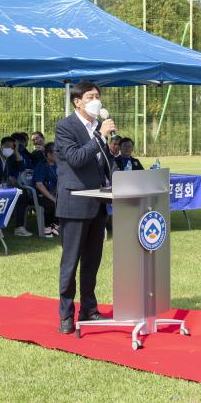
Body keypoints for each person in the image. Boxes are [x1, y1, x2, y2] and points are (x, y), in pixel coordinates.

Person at [54, 81, 117, 334]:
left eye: (98, 96)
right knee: (71, 263)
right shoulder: (65, 127)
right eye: (90, 97)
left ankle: (89, 309)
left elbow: (104, 163)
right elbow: (77, 159)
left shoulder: (98, 127)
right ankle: (66, 315)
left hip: (97, 204)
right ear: (77, 101)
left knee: (92, 262)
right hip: (74, 204)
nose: (96, 101)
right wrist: (99, 136)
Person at [0, 136, 31, 236]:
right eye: (7, 147)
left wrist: (16, 151)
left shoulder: (10, 158)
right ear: (1, 146)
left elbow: (21, 168)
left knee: (23, 195)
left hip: (6, 188)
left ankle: (19, 227)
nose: (9, 149)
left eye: (12, 147)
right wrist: (5, 180)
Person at [33, 142, 59, 237]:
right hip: (42, 195)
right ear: (48, 155)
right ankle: (47, 227)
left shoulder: (59, 165)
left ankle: (56, 225)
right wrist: (53, 198)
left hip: (55, 193)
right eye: (56, 152)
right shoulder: (42, 166)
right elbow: (39, 185)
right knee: (51, 203)